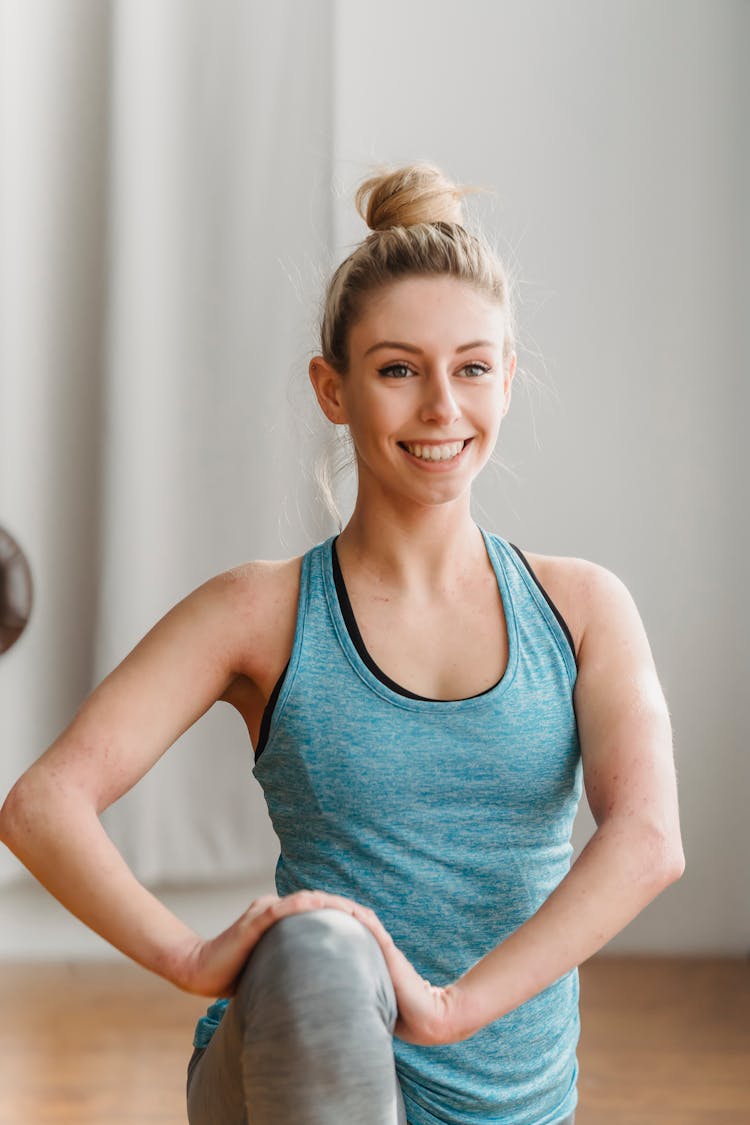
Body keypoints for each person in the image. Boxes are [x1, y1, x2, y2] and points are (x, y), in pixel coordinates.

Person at [0, 161, 685, 1125]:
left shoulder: (582, 609)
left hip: (507, 1096)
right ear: (334, 388)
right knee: (322, 947)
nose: (443, 406)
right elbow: (42, 804)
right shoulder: (262, 612)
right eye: (399, 369)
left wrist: (451, 1011)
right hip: (294, 1071)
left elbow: (649, 841)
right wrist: (191, 959)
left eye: (473, 367)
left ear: (507, 378)